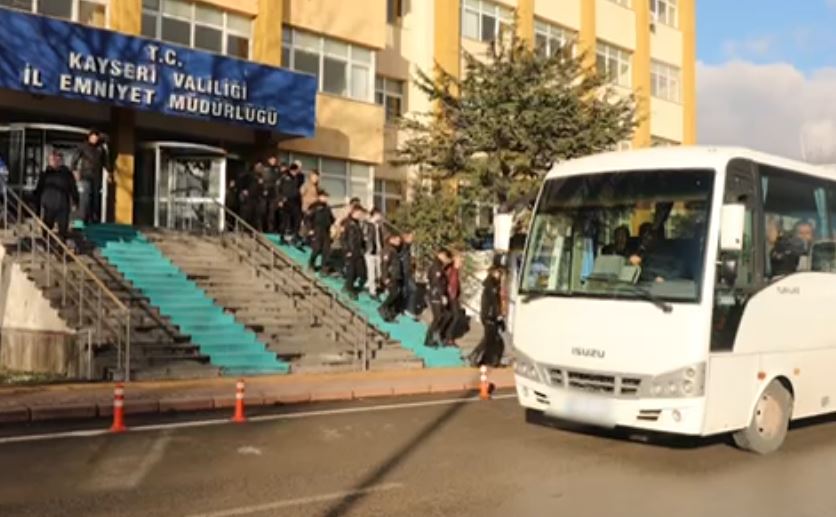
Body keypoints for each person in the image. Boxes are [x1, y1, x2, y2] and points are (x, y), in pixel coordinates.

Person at [34, 151, 78, 241]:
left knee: (63, 228)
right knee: (47, 226)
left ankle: (61, 245)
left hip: (62, 204)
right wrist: (37, 208)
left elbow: (73, 188)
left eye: (56, 159)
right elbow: (39, 190)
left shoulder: (66, 174)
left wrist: (75, 201)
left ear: (60, 161)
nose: (54, 162)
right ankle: (45, 242)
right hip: (49, 205)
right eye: (52, 160)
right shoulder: (45, 174)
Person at [71, 130, 110, 224]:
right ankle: (83, 218)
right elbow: (75, 159)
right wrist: (74, 170)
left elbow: (106, 162)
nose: (95, 139)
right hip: (86, 175)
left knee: (95, 198)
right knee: (86, 197)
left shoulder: (101, 148)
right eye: (93, 137)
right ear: (89, 137)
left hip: (96, 176)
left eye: (96, 137)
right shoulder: (83, 146)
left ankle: (94, 218)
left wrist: (109, 172)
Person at [469, 266, 505, 367]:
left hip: (491, 315)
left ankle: (490, 360)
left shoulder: (494, 285)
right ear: (493, 273)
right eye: (499, 272)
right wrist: (498, 315)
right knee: (490, 340)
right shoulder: (491, 286)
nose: (500, 275)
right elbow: (494, 302)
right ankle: (477, 357)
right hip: (490, 315)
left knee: (493, 339)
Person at [424, 248, 452, 348]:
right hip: (436, 295)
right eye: (445, 257)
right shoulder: (436, 267)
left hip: (436, 294)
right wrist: (442, 295)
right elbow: (436, 283)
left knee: (446, 315)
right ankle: (429, 339)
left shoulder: (439, 266)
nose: (446, 259)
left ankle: (435, 334)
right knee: (438, 317)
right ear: (441, 255)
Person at [342, 205, 367, 300]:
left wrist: (363, 247)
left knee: (361, 272)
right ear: (354, 213)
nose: (360, 215)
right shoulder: (348, 224)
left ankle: (348, 285)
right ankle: (350, 289)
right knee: (351, 272)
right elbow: (343, 239)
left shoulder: (357, 224)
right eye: (359, 213)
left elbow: (360, 238)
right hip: (351, 251)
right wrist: (347, 251)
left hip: (358, 251)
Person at [307, 190, 335, 274]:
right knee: (317, 248)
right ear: (319, 197)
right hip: (317, 229)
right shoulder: (314, 206)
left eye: (326, 197)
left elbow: (331, 219)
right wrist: (310, 229)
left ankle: (324, 268)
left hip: (326, 230)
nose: (325, 199)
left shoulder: (327, 207)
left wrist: (333, 225)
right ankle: (311, 264)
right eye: (324, 197)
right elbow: (308, 218)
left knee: (326, 250)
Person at [378, 233, 404, 322]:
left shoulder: (394, 250)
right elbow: (384, 264)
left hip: (395, 275)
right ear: (391, 239)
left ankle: (390, 313)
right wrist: (385, 277)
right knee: (393, 294)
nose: (399, 242)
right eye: (397, 240)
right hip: (391, 276)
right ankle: (383, 307)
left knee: (396, 294)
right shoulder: (388, 250)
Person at [277, 162, 304, 244]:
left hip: (295, 202)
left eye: (297, 171)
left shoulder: (298, 178)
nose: (295, 173)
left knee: (296, 220)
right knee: (285, 221)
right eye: (294, 171)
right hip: (286, 201)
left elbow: (301, 180)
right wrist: (280, 199)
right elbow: (278, 189)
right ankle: (282, 237)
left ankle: (294, 237)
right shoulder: (284, 177)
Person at [441, 253, 464, 347]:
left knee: (453, 316)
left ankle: (447, 336)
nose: (461, 263)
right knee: (456, 316)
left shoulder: (455, 270)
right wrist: (447, 295)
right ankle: (447, 337)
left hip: (453, 296)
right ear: (455, 261)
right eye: (460, 261)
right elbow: (448, 283)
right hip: (451, 296)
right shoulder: (451, 270)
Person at [363, 208, 384, 299]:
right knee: (371, 272)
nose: (381, 217)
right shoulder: (368, 225)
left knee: (379, 272)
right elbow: (365, 237)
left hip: (378, 251)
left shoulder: (378, 226)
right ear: (375, 214)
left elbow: (380, 239)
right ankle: (372, 291)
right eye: (379, 215)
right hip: (370, 252)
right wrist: (367, 249)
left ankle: (368, 285)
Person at [399, 231, 419, 319]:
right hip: (403, 271)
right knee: (408, 290)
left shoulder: (409, 247)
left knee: (410, 290)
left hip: (408, 271)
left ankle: (407, 308)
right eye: (411, 237)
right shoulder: (402, 247)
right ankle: (405, 309)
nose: (412, 239)